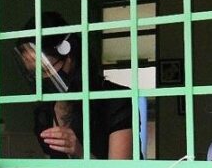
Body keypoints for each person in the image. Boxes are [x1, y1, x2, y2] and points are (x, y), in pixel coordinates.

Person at [14, 12, 133, 159]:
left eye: (45, 70)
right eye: (33, 73)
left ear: (69, 56)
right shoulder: (45, 111)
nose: (42, 78)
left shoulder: (115, 99)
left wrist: (79, 151)